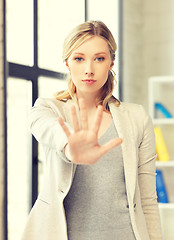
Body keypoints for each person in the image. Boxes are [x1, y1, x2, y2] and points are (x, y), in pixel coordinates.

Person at [21, 20, 162, 240]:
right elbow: (48, 129)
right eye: (79, 58)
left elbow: (147, 200)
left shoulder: (137, 118)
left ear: (111, 63)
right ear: (67, 62)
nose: (89, 69)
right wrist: (69, 147)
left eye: (99, 58)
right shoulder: (47, 109)